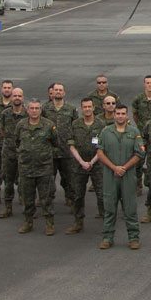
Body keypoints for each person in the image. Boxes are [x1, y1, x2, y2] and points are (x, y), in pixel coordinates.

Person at [97, 104, 145, 249]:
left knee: (130, 208)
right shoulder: (105, 132)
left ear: (127, 115)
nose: (120, 116)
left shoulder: (134, 132)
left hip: (128, 175)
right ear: (114, 115)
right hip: (110, 175)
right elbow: (100, 153)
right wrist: (114, 167)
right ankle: (107, 238)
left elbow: (139, 153)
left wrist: (124, 167)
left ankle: (133, 238)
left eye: (123, 113)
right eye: (117, 113)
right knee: (110, 208)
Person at [14, 99, 58, 235]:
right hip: (26, 168)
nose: (34, 111)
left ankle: (49, 223)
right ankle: (28, 222)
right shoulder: (21, 125)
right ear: (27, 110)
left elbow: (55, 142)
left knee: (46, 197)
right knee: (27, 198)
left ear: (40, 110)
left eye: (37, 108)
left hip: (44, 168)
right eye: (31, 108)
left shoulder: (49, 125)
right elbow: (17, 141)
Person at [67, 97, 106, 233]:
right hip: (79, 165)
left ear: (93, 108)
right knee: (78, 195)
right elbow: (71, 145)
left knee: (102, 195)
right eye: (85, 107)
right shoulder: (75, 124)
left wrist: (92, 162)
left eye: (90, 106)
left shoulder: (100, 124)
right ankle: (78, 222)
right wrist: (82, 162)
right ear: (81, 108)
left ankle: (106, 222)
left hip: (97, 165)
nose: (87, 109)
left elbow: (102, 146)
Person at [43, 83, 78, 210]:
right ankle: (47, 203)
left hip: (66, 151)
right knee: (48, 179)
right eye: (56, 90)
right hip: (50, 151)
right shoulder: (45, 109)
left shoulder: (71, 109)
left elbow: (75, 127)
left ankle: (72, 200)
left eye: (60, 90)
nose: (58, 92)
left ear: (64, 93)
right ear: (52, 92)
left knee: (69, 178)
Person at [0, 88, 28, 219]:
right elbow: (1, 129)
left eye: (19, 96)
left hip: (24, 152)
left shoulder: (28, 114)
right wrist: (10, 142)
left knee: (25, 181)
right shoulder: (5, 113)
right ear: (12, 98)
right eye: (15, 95)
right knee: (8, 180)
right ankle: (7, 206)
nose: (17, 98)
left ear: (23, 98)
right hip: (9, 152)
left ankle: (26, 206)